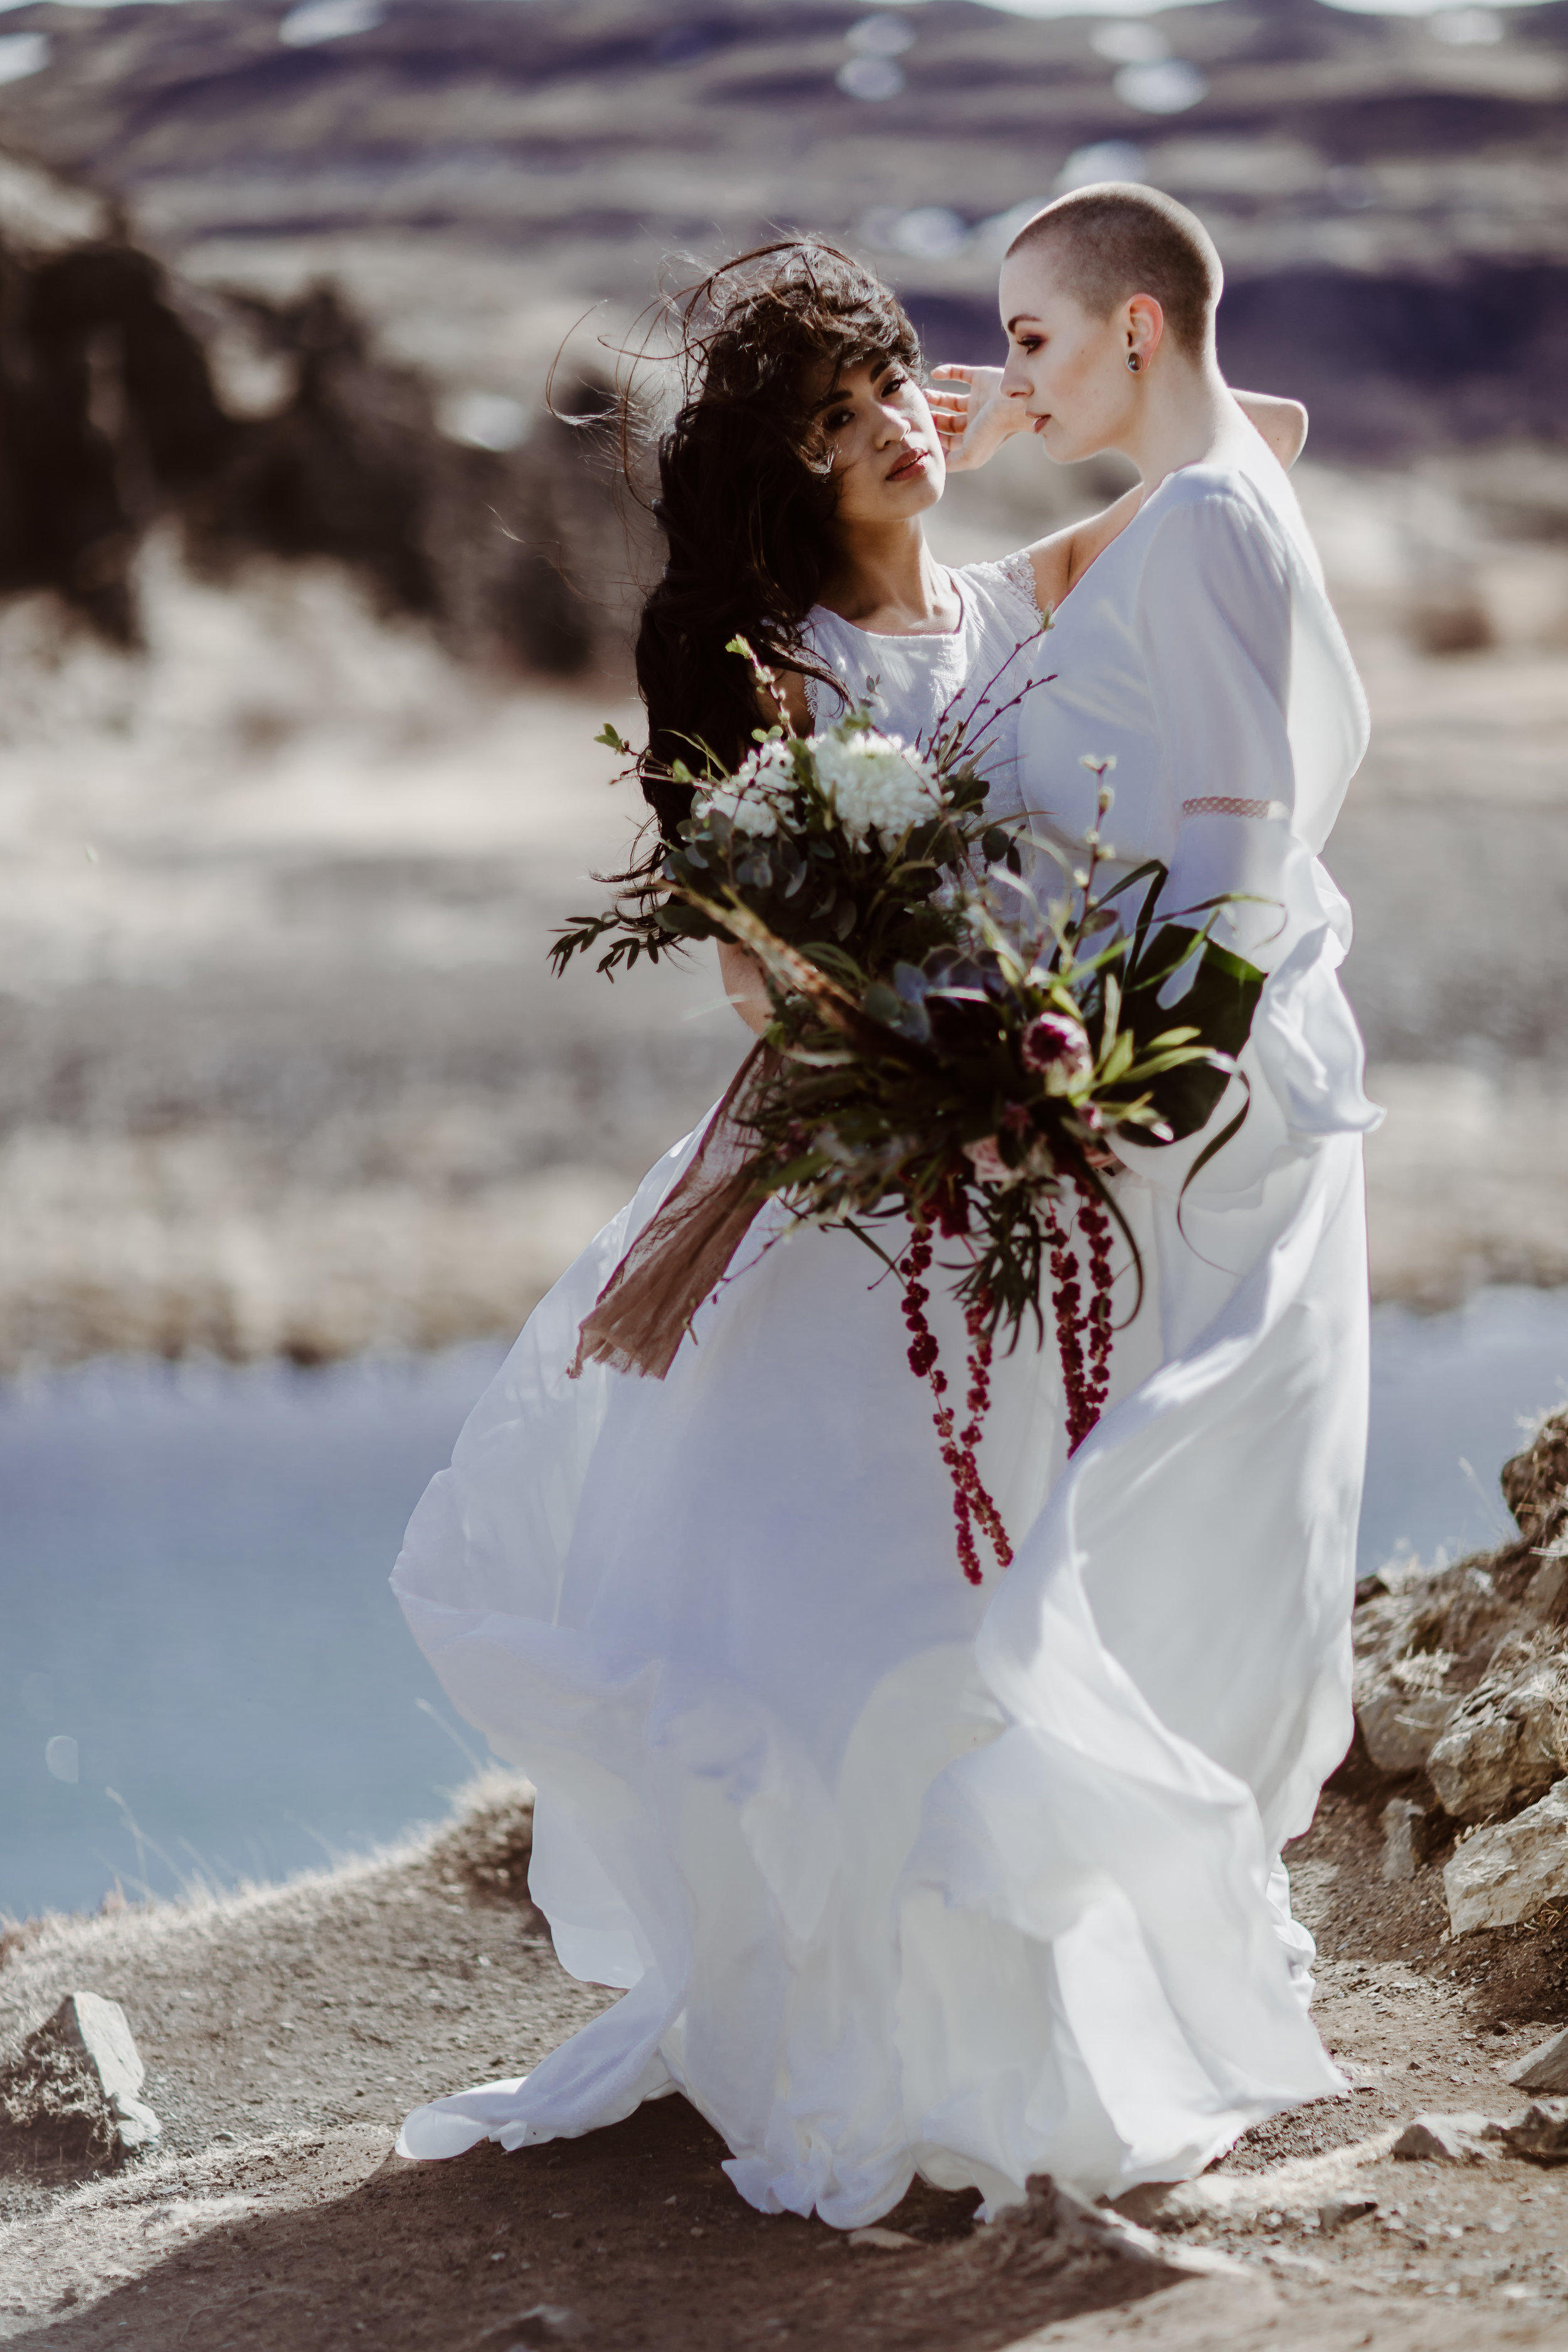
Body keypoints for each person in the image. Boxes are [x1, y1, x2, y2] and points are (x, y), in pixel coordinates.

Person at [390, 235, 1357, 2225]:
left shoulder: (1010, 600)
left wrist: (992, 423)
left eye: (894, 390)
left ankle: (1004, 2002)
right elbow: (758, 979)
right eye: (840, 426)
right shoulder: (777, 674)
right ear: (786, 473)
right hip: (859, 1175)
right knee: (844, 1591)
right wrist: (921, 1074)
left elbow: (1243, 447)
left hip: (1015, 1173)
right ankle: (834, 2018)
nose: (893, 434)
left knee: (1008, 1578)